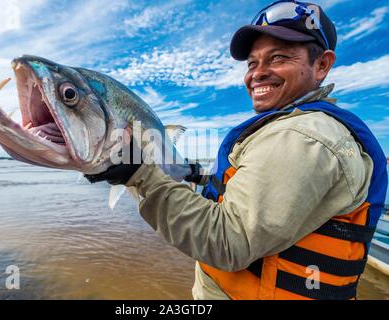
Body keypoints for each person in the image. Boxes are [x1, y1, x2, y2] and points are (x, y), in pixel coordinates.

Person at [86, 0, 388, 300]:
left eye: (278, 57)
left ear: (321, 64)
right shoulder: (293, 127)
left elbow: (228, 242)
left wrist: (141, 175)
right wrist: (193, 172)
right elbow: (243, 180)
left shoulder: (301, 136)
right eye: (252, 63)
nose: (257, 73)